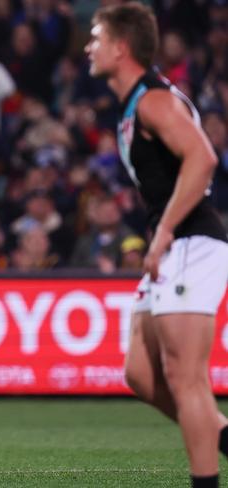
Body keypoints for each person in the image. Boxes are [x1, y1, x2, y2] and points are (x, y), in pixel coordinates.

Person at [86, 3, 228, 487]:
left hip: (191, 242)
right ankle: (221, 438)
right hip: (173, 248)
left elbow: (203, 159)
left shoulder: (153, 100)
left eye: (96, 38)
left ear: (121, 48)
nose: (89, 46)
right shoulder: (133, 105)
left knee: (186, 378)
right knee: (142, 375)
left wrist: (164, 231)